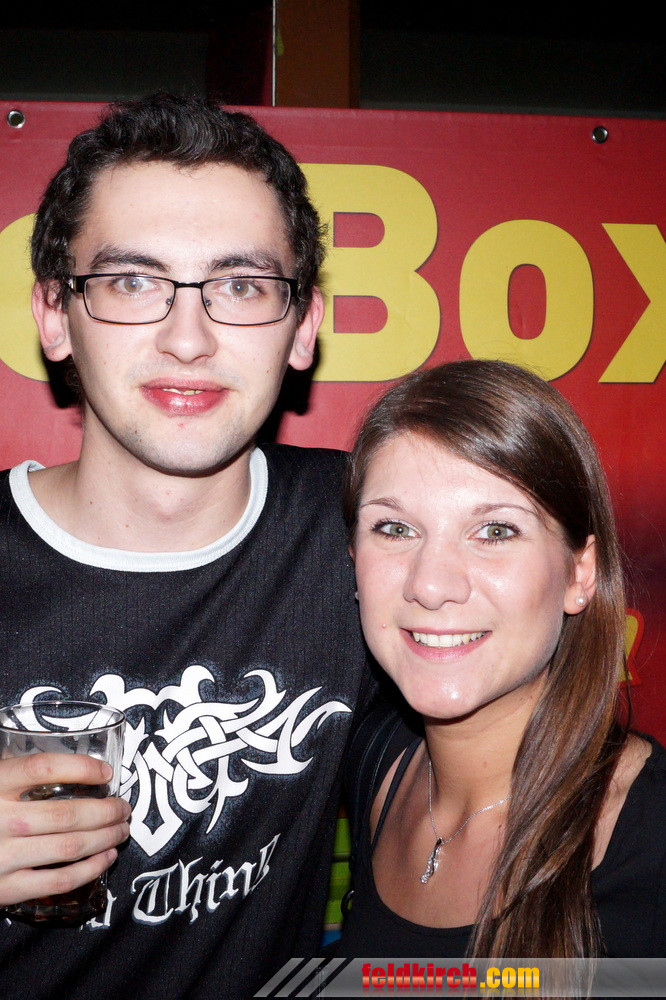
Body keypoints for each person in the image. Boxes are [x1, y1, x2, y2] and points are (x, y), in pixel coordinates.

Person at [0, 93, 372, 1000]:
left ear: (303, 326)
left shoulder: (372, 530)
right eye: (133, 282)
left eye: (240, 286)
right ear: (55, 315)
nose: (189, 338)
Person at [336, 359, 666, 959]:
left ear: (579, 574)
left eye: (494, 532)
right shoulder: (373, 761)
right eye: (395, 528)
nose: (430, 585)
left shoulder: (651, 840)